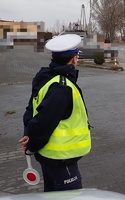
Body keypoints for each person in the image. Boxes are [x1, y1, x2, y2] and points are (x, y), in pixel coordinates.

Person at [19, 34, 91, 192]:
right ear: (73, 59)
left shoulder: (47, 78)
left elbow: (31, 110)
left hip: (50, 156)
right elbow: (43, 122)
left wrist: (28, 135)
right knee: (72, 196)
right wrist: (31, 143)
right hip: (61, 159)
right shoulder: (61, 87)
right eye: (76, 55)